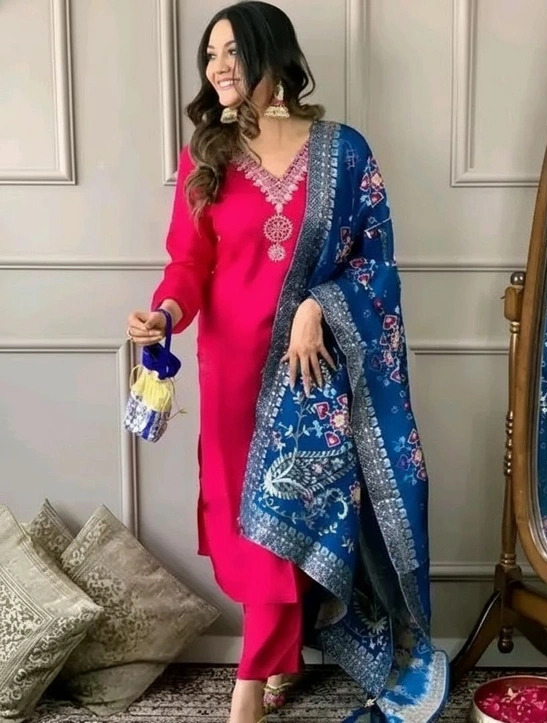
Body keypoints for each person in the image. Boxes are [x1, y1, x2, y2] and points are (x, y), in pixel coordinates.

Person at [126, 2, 448, 721]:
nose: (218, 67)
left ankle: (247, 688)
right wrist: (165, 315)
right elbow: (188, 263)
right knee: (246, 522)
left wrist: (318, 305)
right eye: (210, 54)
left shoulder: (344, 151)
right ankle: (278, 651)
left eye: (233, 51)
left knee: (288, 509)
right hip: (230, 369)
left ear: (274, 56)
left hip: (311, 373)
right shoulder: (205, 154)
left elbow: (378, 263)